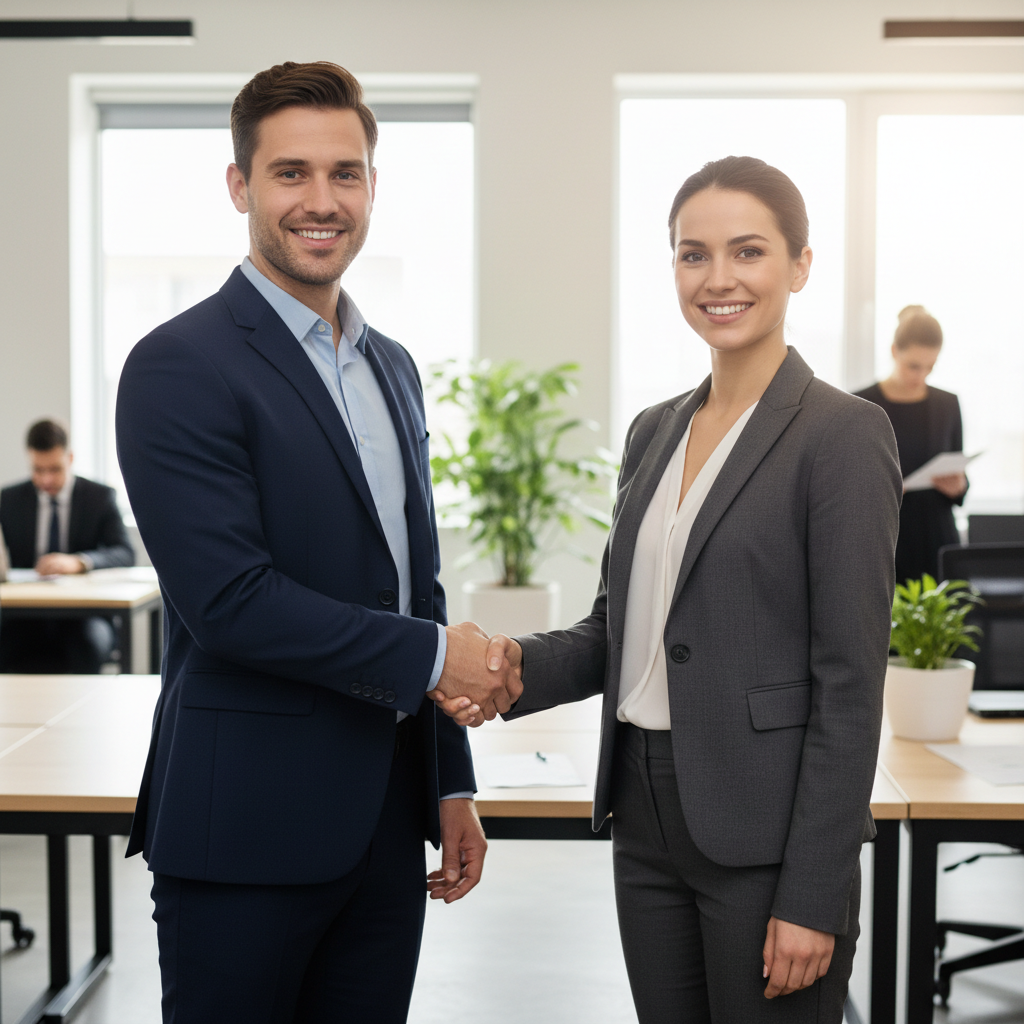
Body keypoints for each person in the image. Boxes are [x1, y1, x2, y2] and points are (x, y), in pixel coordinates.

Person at [433, 156, 901, 1023]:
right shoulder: (657, 429)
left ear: (800, 266)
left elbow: (850, 685)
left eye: (748, 252)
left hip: (765, 829)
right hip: (644, 814)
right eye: (694, 255)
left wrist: (812, 890)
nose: (718, 279)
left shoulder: (843, 434)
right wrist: (508, 665)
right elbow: (623, 631)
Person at [115, 61, 520, 1024]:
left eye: (346, 173)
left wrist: (449, 787)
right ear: (240, 186)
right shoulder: (178, 364)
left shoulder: (394, 367)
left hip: (384, 824)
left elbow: (411, 585)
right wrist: (436, 654)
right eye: (291, 173)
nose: (321, 200)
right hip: (245, 826)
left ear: (373, 187)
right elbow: (229, 603)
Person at [0, 418, 134, 673]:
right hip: (24, 616)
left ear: (70, 458)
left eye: (54, 469)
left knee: (87, 646)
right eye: (38, 470)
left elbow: (125, 552)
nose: (46, 479)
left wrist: (79, 562)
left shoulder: (100, 497)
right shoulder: (10, 499)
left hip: (84, 615)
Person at [854, 306, 967, 584]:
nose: (921, 376)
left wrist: (959, 487)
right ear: (894, 351)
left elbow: (960, 474)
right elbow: (849, 483)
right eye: (914, 366)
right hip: (884, 540)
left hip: (937, 538)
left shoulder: (947, 404)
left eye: (930, 367)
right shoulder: (861, 405)